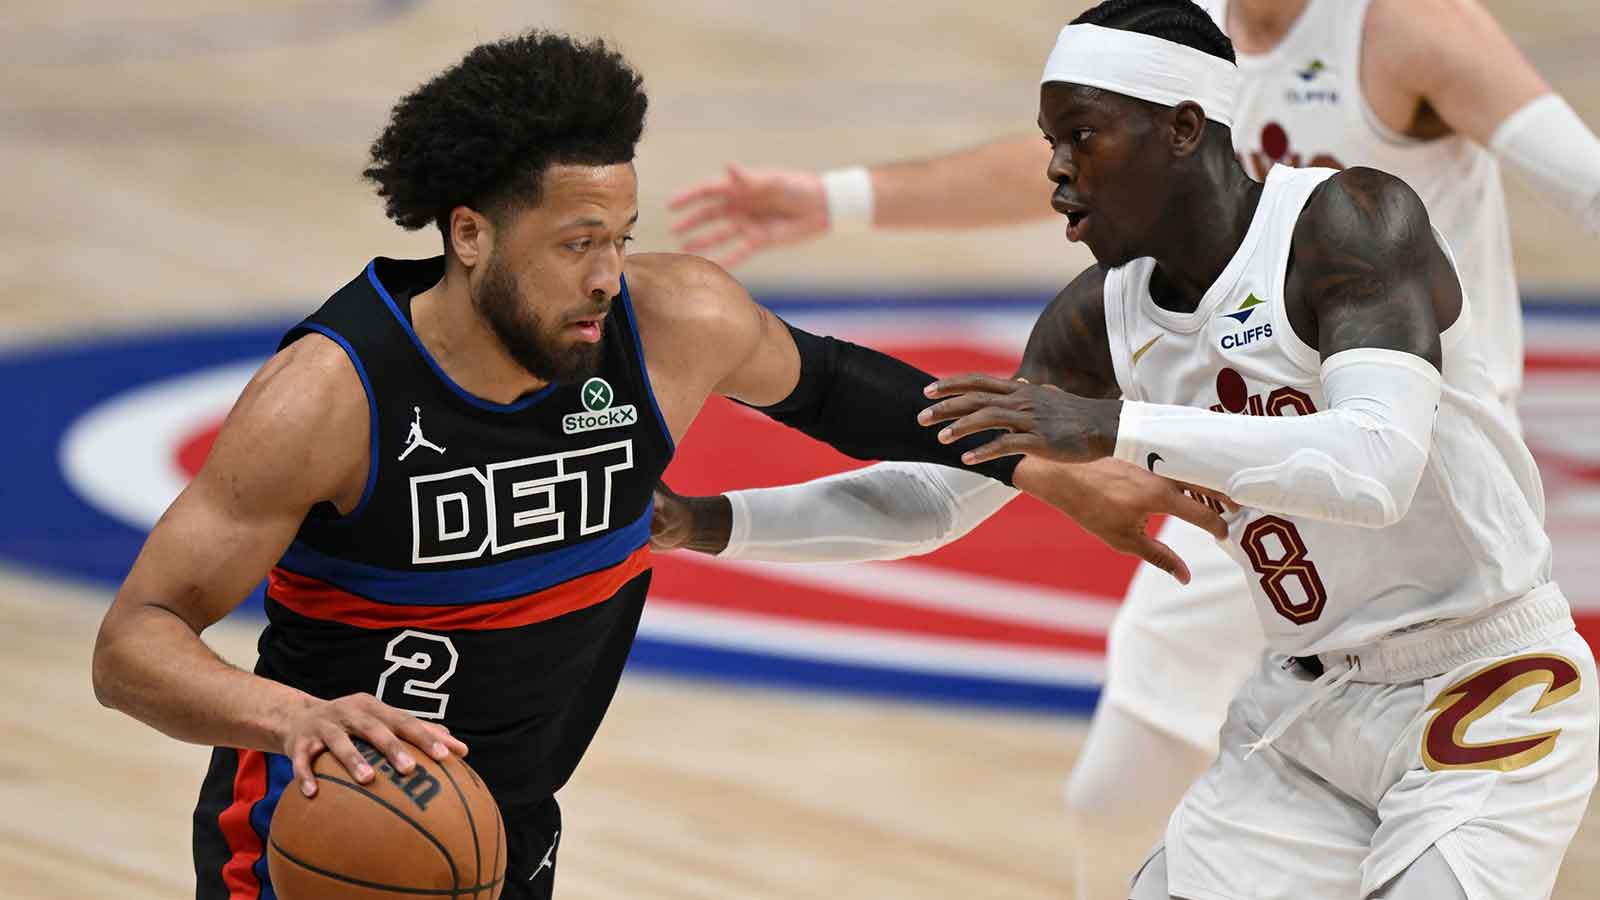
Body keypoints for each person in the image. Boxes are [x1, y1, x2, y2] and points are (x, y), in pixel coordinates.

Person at [88, 30, 1222, 900]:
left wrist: (1051, 465)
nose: (606, 274)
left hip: (505, 829)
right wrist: (288, 718)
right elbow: (133, 642)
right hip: (320, 830)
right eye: (576, 243)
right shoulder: (330, 399)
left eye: (620, 236)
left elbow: (856, 397)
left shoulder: (669, 320)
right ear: (470, 231)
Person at [660, 3, 1600, 897]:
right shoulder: (1098, 318)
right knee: (1124, 818)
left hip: (1486, 677)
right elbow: (937, 496)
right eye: (1049, 144)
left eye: (1082, 139)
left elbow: (1376, 468)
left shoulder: (1349, 221)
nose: (1057, 174)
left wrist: (1117, 429)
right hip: (1309, 702)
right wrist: (704, 522)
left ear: (1185, 129)